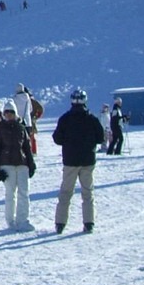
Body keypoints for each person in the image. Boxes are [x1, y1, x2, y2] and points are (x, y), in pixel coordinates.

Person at [52, 89, 105, 234]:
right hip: (88, 160)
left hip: (70, 161)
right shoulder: (92, 119)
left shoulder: (65, 119)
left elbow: (57, 138)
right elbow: (101, 138)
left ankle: (60, 223)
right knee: (87, 192)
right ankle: (89, 222)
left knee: (65, 192)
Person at [0, 100, 35, 231]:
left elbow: (27, 147)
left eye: (11, 112)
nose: (9, 115)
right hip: (6, 164)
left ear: (15, 114)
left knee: (23, 193)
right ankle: (10, 221)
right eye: (6, 112)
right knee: (10, 193)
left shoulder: (21, 128)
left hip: (22, 163)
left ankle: (23, 220)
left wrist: (31, 164)